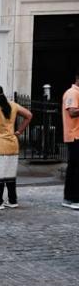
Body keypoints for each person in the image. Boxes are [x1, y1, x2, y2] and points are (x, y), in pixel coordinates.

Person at [0, 86, 32, 209]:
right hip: (12, 142)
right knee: (10, 172)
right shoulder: (13, 105)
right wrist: (19, 131)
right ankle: (13, 200)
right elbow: (29, 115)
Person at [62, 71, 79, 210]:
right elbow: (72, 112)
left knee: (73, 167)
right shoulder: (72, 93)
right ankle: (74, 198)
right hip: (75, 135)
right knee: (76, 168)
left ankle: (69, 197)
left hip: (76, 135)